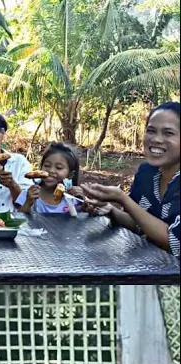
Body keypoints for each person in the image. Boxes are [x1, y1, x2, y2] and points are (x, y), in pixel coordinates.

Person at [83, 101, 180, 258]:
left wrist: (122, 198)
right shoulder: (146, 173)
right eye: (151, 131)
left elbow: (175, 242)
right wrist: (111, 211)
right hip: (151, 270)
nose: (156, 139)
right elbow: (139, 224)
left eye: (168, 133)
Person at [20, 143, 83, 216]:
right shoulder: (28, 193)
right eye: (47, 165)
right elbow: (18, 219)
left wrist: (86, 204)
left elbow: (81, 221)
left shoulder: (73, 199)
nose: (51, 171)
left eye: (59, 167)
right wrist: (28, 202)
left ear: (70, 174)